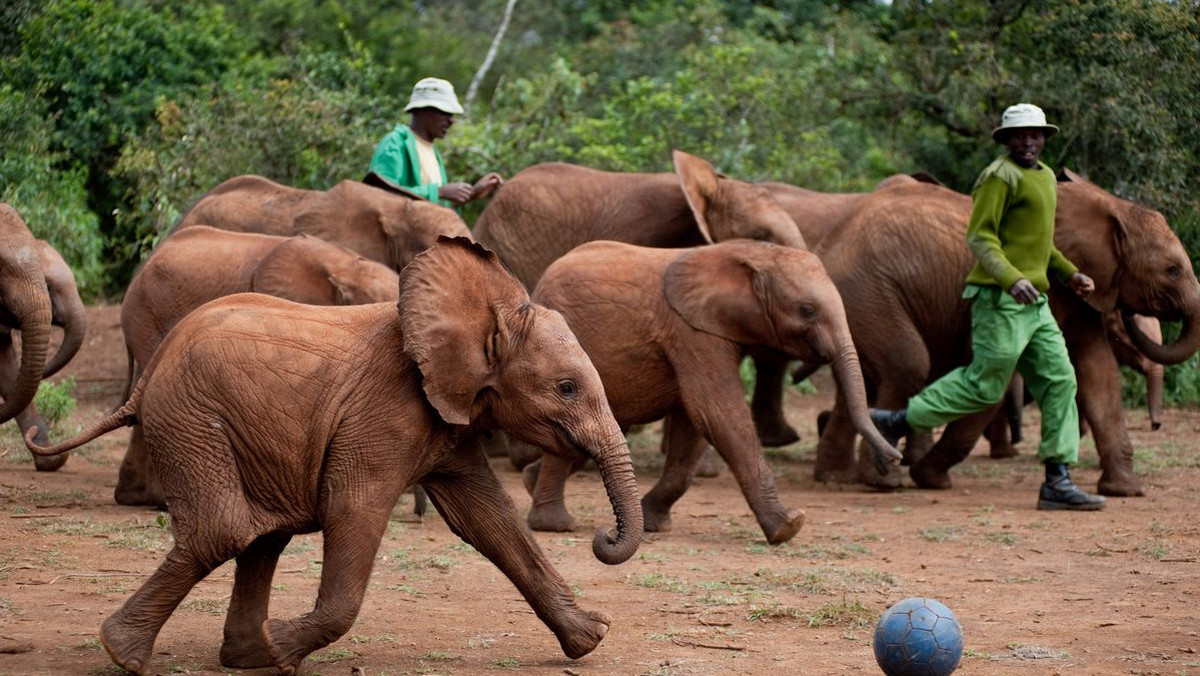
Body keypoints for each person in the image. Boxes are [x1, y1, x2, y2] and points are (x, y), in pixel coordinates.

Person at [869, 103, 1106, 511]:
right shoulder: (998, 177)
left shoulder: (1047, 177)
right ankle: (894, 422)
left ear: (1045, 138)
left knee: (1060, 380)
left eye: (1035, 134)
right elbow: (981, 238)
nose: (1027, 142)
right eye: (1019, 135)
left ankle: (1057, 479)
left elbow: (1038, 242)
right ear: (1006, 140)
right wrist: (1010, 279)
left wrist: (1070, 274)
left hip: (1037, 303)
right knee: (985, 385)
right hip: (1000, 300)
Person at [367, 77, 503, 207]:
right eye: (444, 112)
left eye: (452, 114)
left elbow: (432, 208)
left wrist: (472, 193)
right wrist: (439, 191)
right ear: (421, 110)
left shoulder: (433, 152)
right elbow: (379, 197)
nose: (451, 121)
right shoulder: (395, 144)